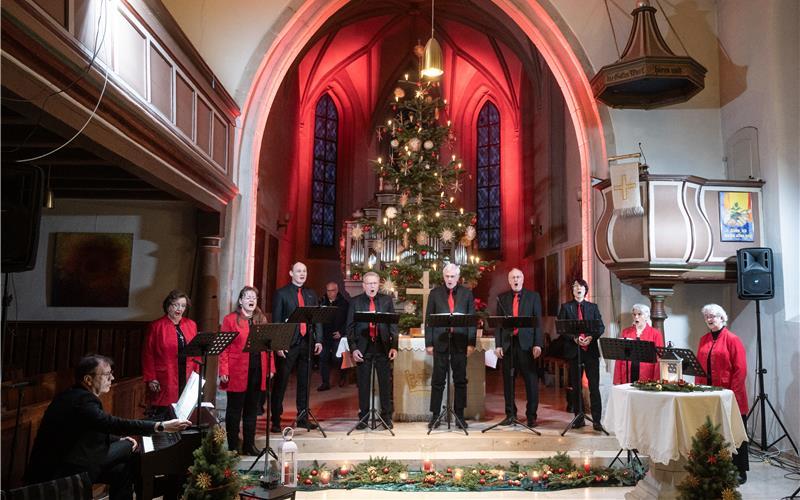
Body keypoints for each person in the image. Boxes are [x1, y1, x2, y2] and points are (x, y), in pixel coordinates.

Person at [25, 354, 190, 500]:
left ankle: (149, 487)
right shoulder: (83, 401)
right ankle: (153, 488)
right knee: (129, 447)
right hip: (62, 470)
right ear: (88, 379)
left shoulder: (74, 395)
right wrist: (160, 426)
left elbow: (95, 430)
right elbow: (112, 423)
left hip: (70, 461)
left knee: (122, 470)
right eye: (106, 374)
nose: (112, 378)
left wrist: (118, 439)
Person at [695, 303, 749, 483]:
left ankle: (740, 470)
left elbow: (740, 370)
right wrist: (698, 390)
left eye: (712, 316)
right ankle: (713, 467)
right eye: (706, 317)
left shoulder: (733, 339)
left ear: (722, 318)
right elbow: (699, 368)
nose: (709, 319)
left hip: (730, 394)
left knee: (735, 433)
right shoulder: (703, 339)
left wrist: (731, 394)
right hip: (708, 394)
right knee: (712, 432)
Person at [218, 286, 273, 455]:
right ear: (241, 301)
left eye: (254, 297)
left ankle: (249, 445)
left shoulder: (261, 319)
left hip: (257, 370)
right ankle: (233, 446)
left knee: (252, 410)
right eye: (248, 297)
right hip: (236, 371)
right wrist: (223, 370)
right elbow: (223, 348)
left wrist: (270, 367)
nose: (251, 300)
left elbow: (269, 346)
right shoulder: (230, 320)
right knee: (234, 411)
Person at [270, 261, 323, 432]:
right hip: (288, 344)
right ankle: (276, 420)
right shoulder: (281, 293)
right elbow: (277, 321)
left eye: (304, 271)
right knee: (281, 382)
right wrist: (279, 344)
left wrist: (319, 340)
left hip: (306, 343)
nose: (302, 274)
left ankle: (302, 418)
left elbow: (317, 318)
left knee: (304, 382)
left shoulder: (311, 294)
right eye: (298, 271)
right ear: (291, 273)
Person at [425, 263, 476, 430]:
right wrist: (429, 343)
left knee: (460, 380)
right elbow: (428, 319)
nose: (449, 279)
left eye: (452, 276)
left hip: (460, 342)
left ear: (458, 277)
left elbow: (472, 320)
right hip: (440, 341)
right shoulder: (435, 293)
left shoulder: (467, 294)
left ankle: (459, 416)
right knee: (438, 380)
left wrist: (471, 342)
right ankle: (435, 416)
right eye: (447, 276)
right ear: (443, 276)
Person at [347, 272, 398, 429]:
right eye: (369, 283)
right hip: (363, 348)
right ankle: (364, 417)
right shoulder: (355, 302)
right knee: (363, 384)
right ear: (363, 286)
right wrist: (353, 348)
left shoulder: (386, 300)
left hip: (382, 347)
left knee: (385, 384)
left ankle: (386, 417)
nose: (372, 286)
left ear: (378, 285)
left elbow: (393, 326)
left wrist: (394, 346)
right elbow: (349, 327)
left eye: (375, 283)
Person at [494, 268, 543, 427]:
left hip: (527, 345)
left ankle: (531, 416)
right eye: (513, 277)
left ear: (522, 279)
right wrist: (498, 345)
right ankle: (510, 414)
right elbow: (498, 324)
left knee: (531, 381)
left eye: (518, 277)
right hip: (508, 344)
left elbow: (538, 322)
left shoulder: (533, 297)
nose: (515, 280)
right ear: (509, 281)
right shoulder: (502, 298)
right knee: (508, 381)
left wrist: (538, 343)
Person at [141, 289, 198, 420]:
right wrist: (151, 378)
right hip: (165, 375)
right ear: (168, 305)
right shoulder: (156, 326)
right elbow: (148, 354)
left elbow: (196, 352)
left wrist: (196, 375)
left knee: (184, 411)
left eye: (183, 306)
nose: (179, 309)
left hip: (187, 373)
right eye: (176, 305)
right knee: (164, 412)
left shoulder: (191, 324)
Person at [557, 277, 605, 431]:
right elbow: (561, 329)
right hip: (574, 351)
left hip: (590, 352)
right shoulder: (566, 307)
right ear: (572, 290)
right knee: (576, 387)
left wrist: (591, 337)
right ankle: (579, 418)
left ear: (585, 290)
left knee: (594, 387)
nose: (578, 289)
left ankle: (597, 420)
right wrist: (574, 338)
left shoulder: (593, 307)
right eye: (575, 286)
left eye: (581, 286)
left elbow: (601, 327)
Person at [612, 303, 664, 384]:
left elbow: (658, 359)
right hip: (627, 373)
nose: (636, 317)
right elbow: (619, 357)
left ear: (646, 316)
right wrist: (617, 380)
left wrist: (656, 381)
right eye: (634, 314)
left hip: (647, 375)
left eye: (639, 314)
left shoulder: (655, 334)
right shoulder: (626, 332)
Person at [318, 281, 349, 391]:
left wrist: (341, 332)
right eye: (328, 290)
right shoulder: (322, 302)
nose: (330, 293)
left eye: (332, 290)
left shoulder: (344, 303)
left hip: (337, 335)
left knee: (337, 358)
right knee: (323, 358)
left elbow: (348, 320)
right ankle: (325, 382)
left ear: (337, 290)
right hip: (325, 336)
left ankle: (342, 376)